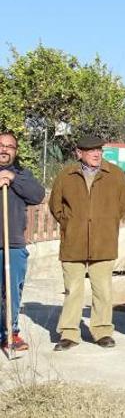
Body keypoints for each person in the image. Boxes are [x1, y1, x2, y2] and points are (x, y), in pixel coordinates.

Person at [49, 135, 125, 351]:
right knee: (73, 289)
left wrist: (107, 222)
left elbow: (123, 204)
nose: (96, 154)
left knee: (103, 289)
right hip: (73, 241)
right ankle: (69, 333)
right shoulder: (66, 176)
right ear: (79, 153)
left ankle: (102, 331)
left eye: (99, 150)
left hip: (104, 241)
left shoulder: (115, 175)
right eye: (91, 150)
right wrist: (70, 223)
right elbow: (55, 205)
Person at [0, 132, 45, 352]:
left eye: (10, 146)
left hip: (13, 244)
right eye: (1, 145)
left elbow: (37, 195)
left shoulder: (22, 174)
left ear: (15, 151)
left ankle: (11, 332)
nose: (4, 149)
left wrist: (14, 178)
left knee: (12, 292)